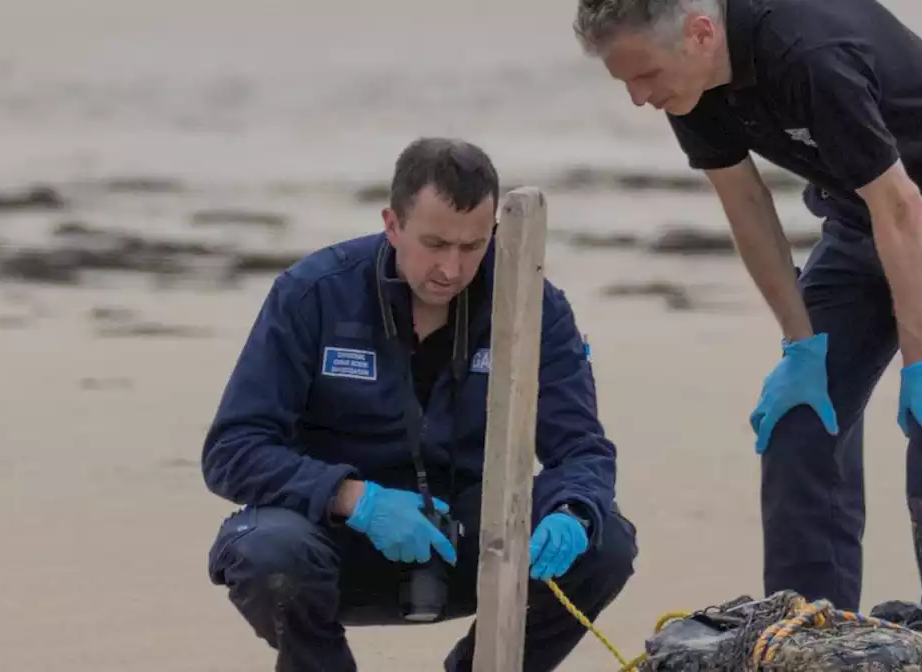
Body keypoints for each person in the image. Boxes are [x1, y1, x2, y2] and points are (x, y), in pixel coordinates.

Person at [572, 0, 922, 629]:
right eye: (625, 81)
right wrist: (800, 345)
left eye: (645, 76)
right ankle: (809, 635)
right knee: (800, 421)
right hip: (859, 213)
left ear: (700, 34)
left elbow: (900, 205)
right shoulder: (688, 85)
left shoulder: (808, 51)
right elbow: (746, 204)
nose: (638, 97)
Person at [200, 137, 638, 671]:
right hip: (338, 540)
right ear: (392, 224)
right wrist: (355, 498)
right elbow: (232, 450)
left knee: (605, 539)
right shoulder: (311, 293)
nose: (450, 270)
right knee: (265, 553)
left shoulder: (533, 304)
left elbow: (583, 451)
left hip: (474, 539)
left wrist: (573, 511)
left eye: (472, 246)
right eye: (434, 243)